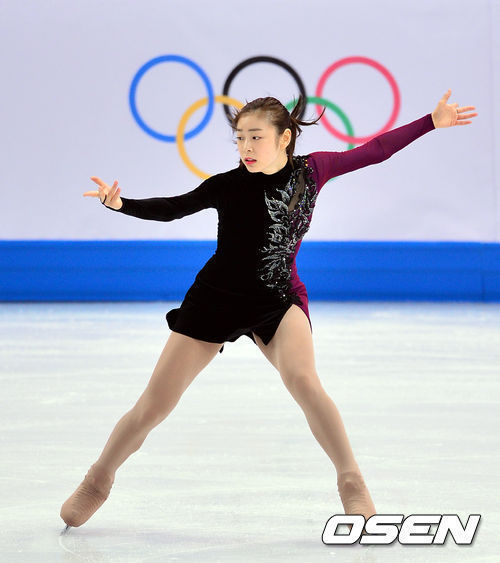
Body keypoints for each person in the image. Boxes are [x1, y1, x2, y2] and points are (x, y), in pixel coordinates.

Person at [61, 89, 477, 531]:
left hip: (277, 298)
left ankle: (351, 480)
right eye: (239, 138)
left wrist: (431, 122)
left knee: (304, 381)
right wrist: (120, 204)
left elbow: (374, 151)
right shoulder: (226, 185)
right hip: (216, 298)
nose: (245, 147)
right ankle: (98, 479)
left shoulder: (313, 171)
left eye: (255, 137)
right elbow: (174, 208)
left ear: (284, 137)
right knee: (153, 406)